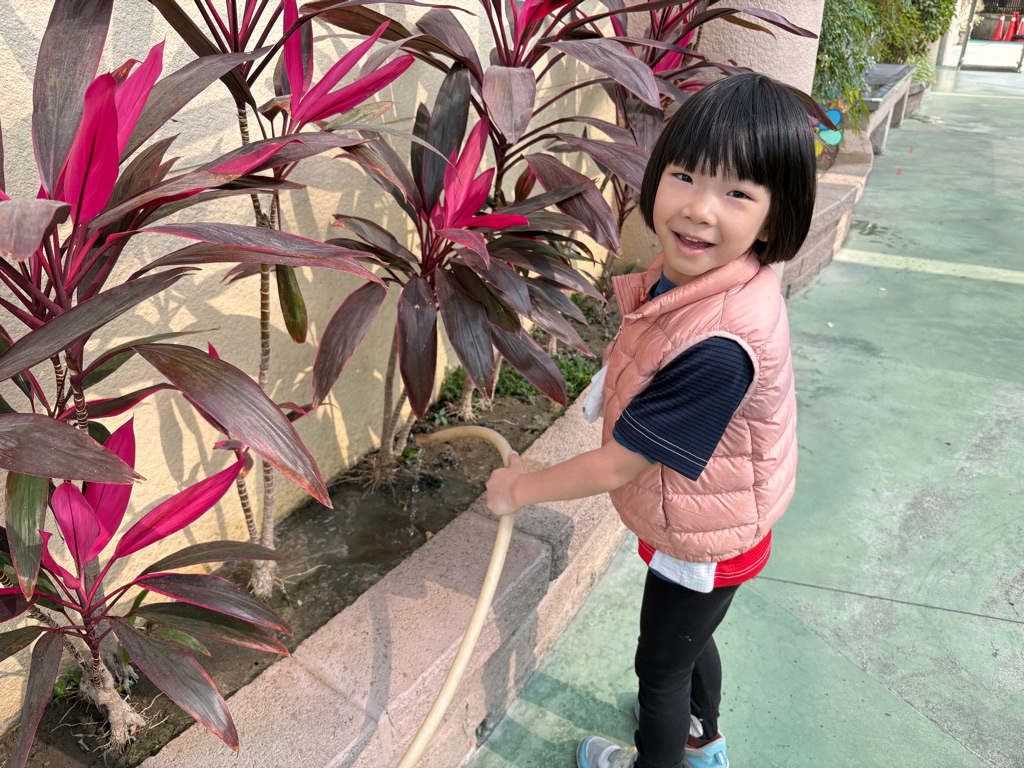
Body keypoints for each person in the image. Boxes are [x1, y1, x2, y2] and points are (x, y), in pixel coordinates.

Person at [485, 72, 818, 768]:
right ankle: (702, 740)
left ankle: (664, 752)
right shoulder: (710, 278)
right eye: (685, 176)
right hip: (713, 514)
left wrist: (520, 489)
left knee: (660, 671)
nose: (698, 209)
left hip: (703, 535)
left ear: (773, 217)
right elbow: (649, 348)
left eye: (736, 193)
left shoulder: (720, 347)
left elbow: (619, 464)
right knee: (690, 643)